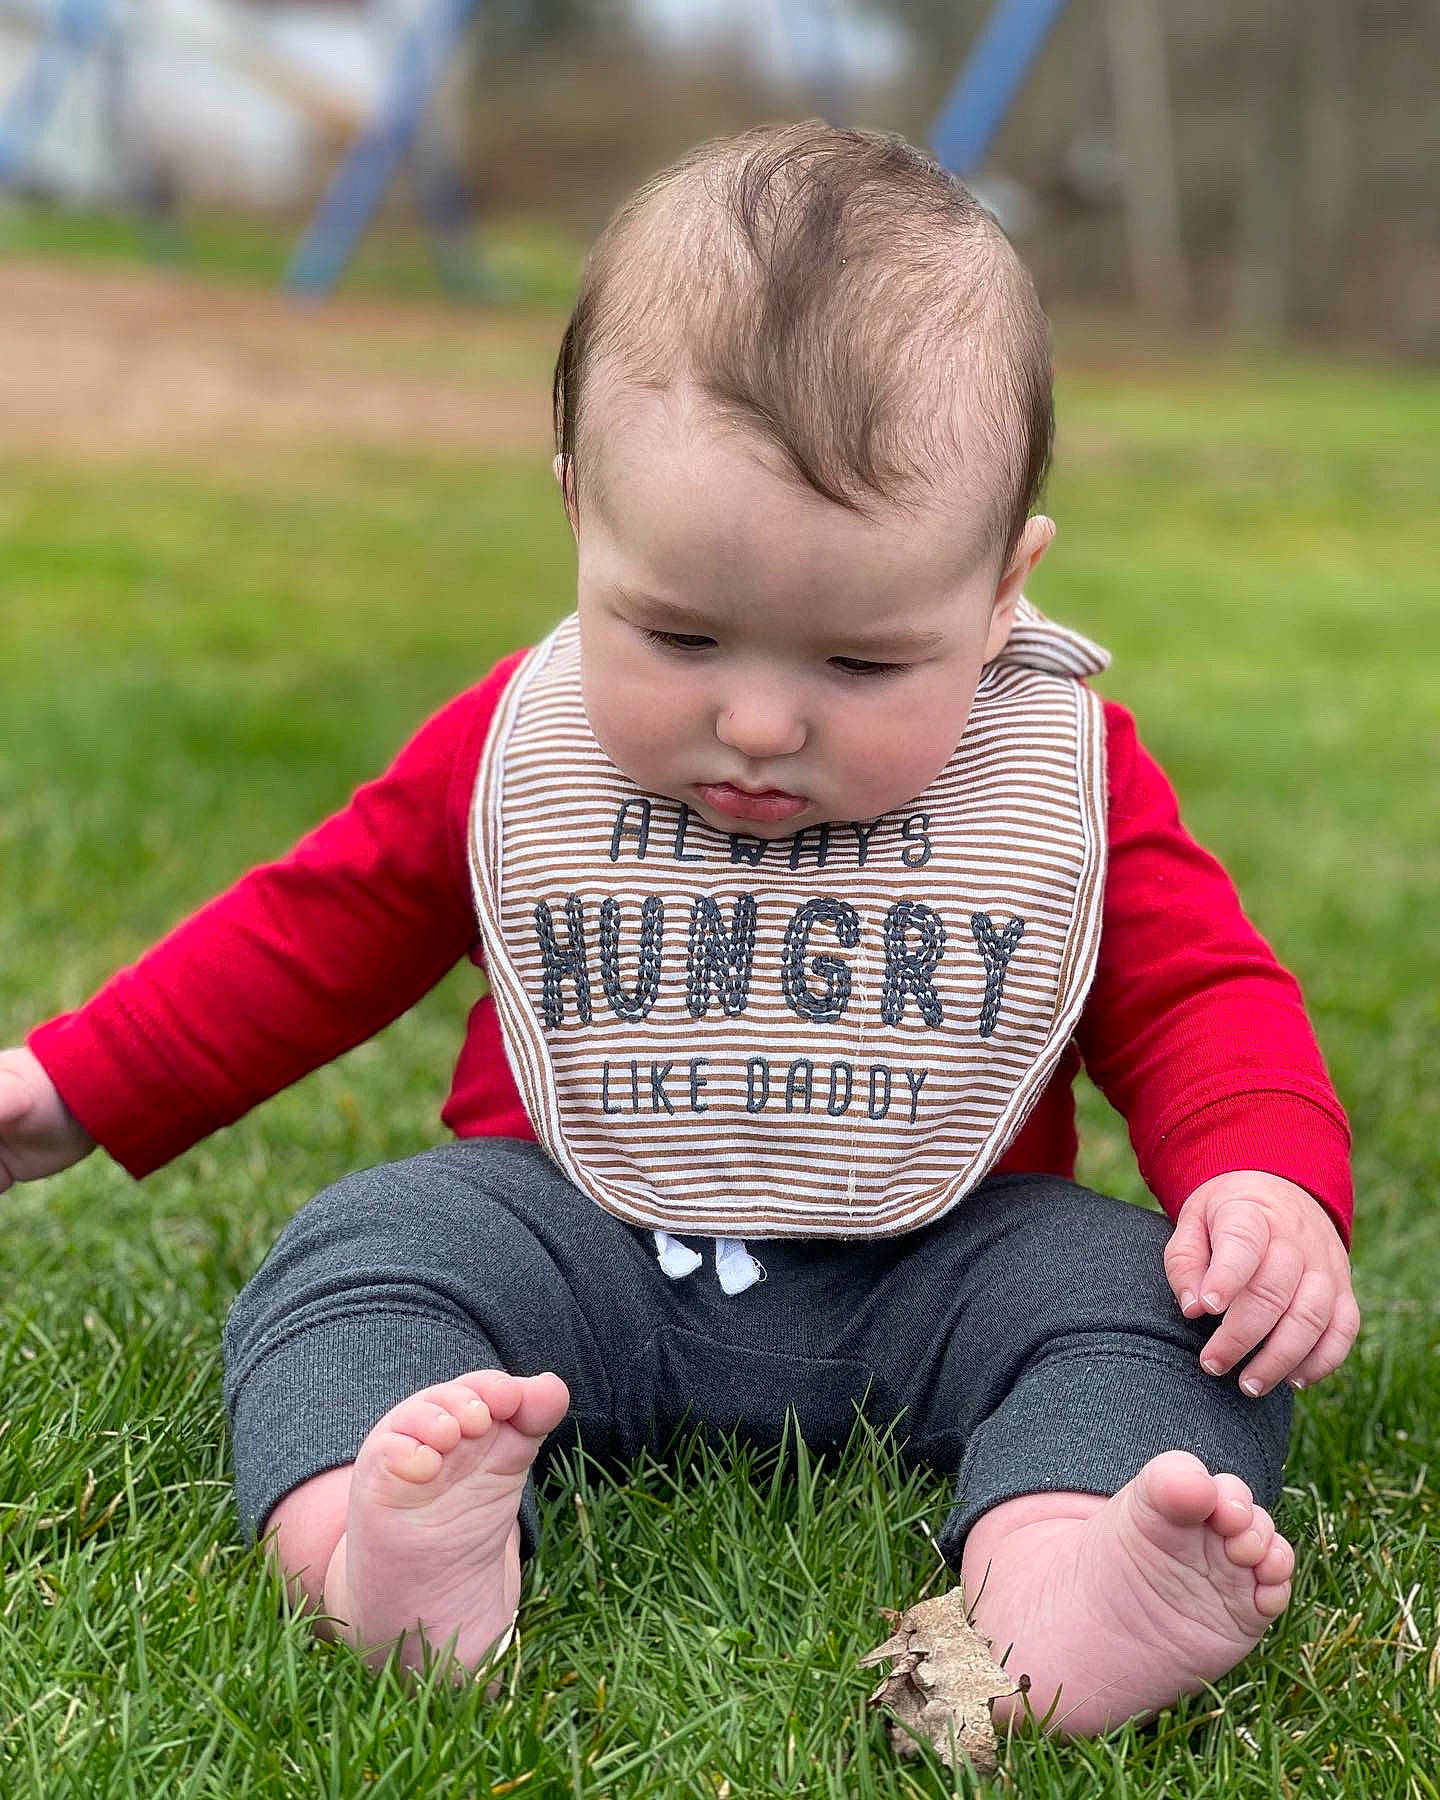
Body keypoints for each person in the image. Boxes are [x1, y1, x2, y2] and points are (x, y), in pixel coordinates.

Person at [0, 123, 1359, 1738]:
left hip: (949, 1264)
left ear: (1004, 586)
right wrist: (75, 1084)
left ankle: (1064, 1577)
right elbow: (319, 929)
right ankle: (379, 1547)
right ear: (583, 514)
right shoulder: (523, 743)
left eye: (862, 663)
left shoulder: (1057, 777)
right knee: (370, 1252)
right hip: (569, 1249)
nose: (760, 722)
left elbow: (1197, 989)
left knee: (1155, 1311)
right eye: (681, 634)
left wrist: (1261, 1175)